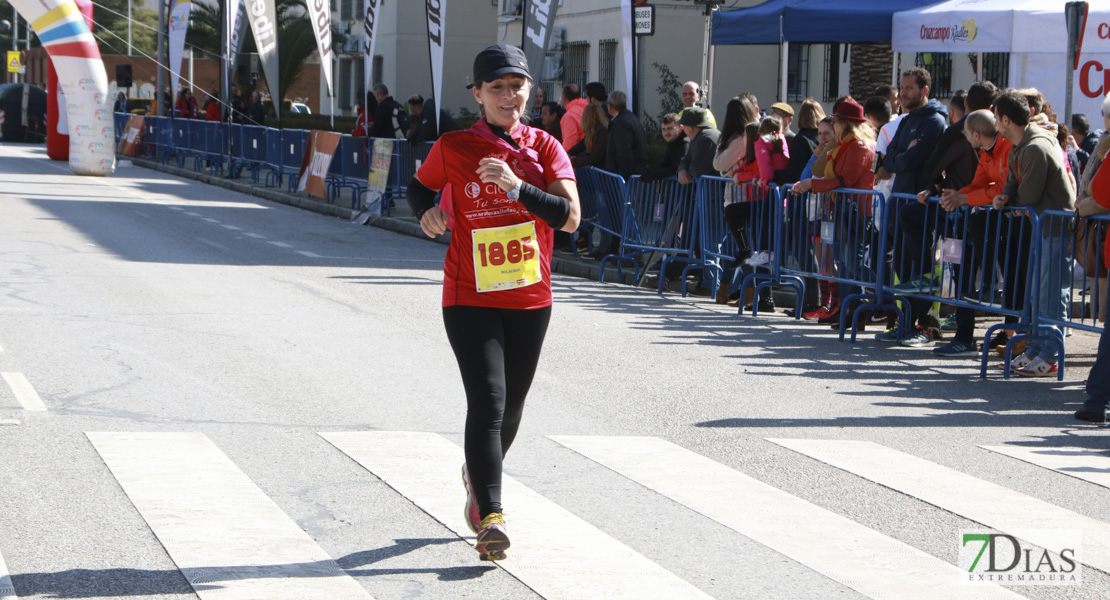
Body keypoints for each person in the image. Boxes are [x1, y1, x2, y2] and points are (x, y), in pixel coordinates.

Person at [405, 43, 580, 562]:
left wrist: (518, 185)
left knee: (514, 407)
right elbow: (419, 188)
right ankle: (493, 516)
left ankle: (474, 476)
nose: (509, 96)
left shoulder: (546, 148)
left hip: (530, 296)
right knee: (489, 401)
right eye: (497, 87)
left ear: (529, 90)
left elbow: (570, 218)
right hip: (468, 294)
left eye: (516, 86)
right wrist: (426, 215)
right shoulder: (455, 145)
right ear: (478, 93)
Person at [992, 90, 1076, 377]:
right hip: (1042, 227)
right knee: (1037, 295)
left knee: (1050, 296)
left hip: (1054, 228)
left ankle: (1050, 354)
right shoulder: (1022, 144)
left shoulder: (1034, 147)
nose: (994, 123)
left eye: (996, 117)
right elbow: (1015, 181)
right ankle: (1036, 349)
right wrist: (1005, 196)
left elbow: (1030, 192)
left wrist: (1012, 201)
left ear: (1005, 119)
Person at [878, 67, 948, 346]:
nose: (902, 93)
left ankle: (927, 325)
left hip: (923, 207)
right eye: (901, 87)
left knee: (923, 270)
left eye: (909, 88)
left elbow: (906, 161)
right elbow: (888, 160)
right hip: (901, 202)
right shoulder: (906, 121)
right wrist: (902, 155)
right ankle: (906, 322)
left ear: (925, 90)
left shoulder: (934, 122)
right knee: (903, 270)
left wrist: (902, 156)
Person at [792, 101, 877, 326]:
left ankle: (871, 299)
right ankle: (851, 310)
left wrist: (812, 183)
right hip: (839, 209)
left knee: (851, 264)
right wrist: (828, 148)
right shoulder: (841, 145)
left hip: (855, 211)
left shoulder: (859, 146)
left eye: (837, 121)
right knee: (845, 264)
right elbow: (818, 170)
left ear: (845, 123)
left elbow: (844, 180)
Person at [603, 90, 648, 180]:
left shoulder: (621, 123)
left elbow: (624, 153)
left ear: (610, 106)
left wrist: (622, 178)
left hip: (627, 177)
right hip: (634, 173)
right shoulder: (630, 117)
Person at [781, 98, 825, 184]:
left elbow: (794, 172)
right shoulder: (824, 136)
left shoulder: (800, 140)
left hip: (803, 189)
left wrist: (774, 175)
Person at [676, 106, 721, 183]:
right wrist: (681, 170)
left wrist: (685, 172)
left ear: (690, 127)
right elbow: (686, 160)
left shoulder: (706, 138)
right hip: (708, 189)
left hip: (714, 190)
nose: (682, 128)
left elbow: (698, 169)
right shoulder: (698, 136)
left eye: (684, 125)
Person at [641, 113, 687, 182]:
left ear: (680, 128)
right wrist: (649, 171)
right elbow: (665, 163)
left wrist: (653, 175)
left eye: (670, 128)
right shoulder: (673, 141)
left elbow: (677, 168)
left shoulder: (685, 143)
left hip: (687, 190)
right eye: (663, 129)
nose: (666, 133)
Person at [568, 103, 609, 169]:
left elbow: (596, 157)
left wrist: (574, 160)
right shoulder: (593, 133)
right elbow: (580, 146)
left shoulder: (602, 133)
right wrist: (569, 154)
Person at [559, 83, 588, 151]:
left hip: (580, 156)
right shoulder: (589, 106)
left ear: (564, 96)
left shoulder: (569, 116)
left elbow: (569, 145)